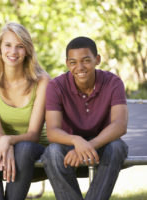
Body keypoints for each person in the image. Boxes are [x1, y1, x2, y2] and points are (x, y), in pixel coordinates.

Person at [41, 36, 128, 200]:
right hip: (69, 147)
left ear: (97, 60)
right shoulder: (56, 86)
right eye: (73, 62)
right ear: (67, 63)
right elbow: (52, 131)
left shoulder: (113, 82)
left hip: (102, 145)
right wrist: (76, 141)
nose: (79, 67)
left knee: (117, 147)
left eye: (86, 60)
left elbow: (120, 125)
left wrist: (88, 145)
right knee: (52, 152)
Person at [0, 22, 50, 200]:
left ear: (28, 51)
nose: (13, 52)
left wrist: (8, 140)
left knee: (23, 148)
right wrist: (6, 143)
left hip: (35, 150)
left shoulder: (42, 81)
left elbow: (33, 134)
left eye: (20, 46)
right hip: (4, 150)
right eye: (8, 45)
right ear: (0, 49)